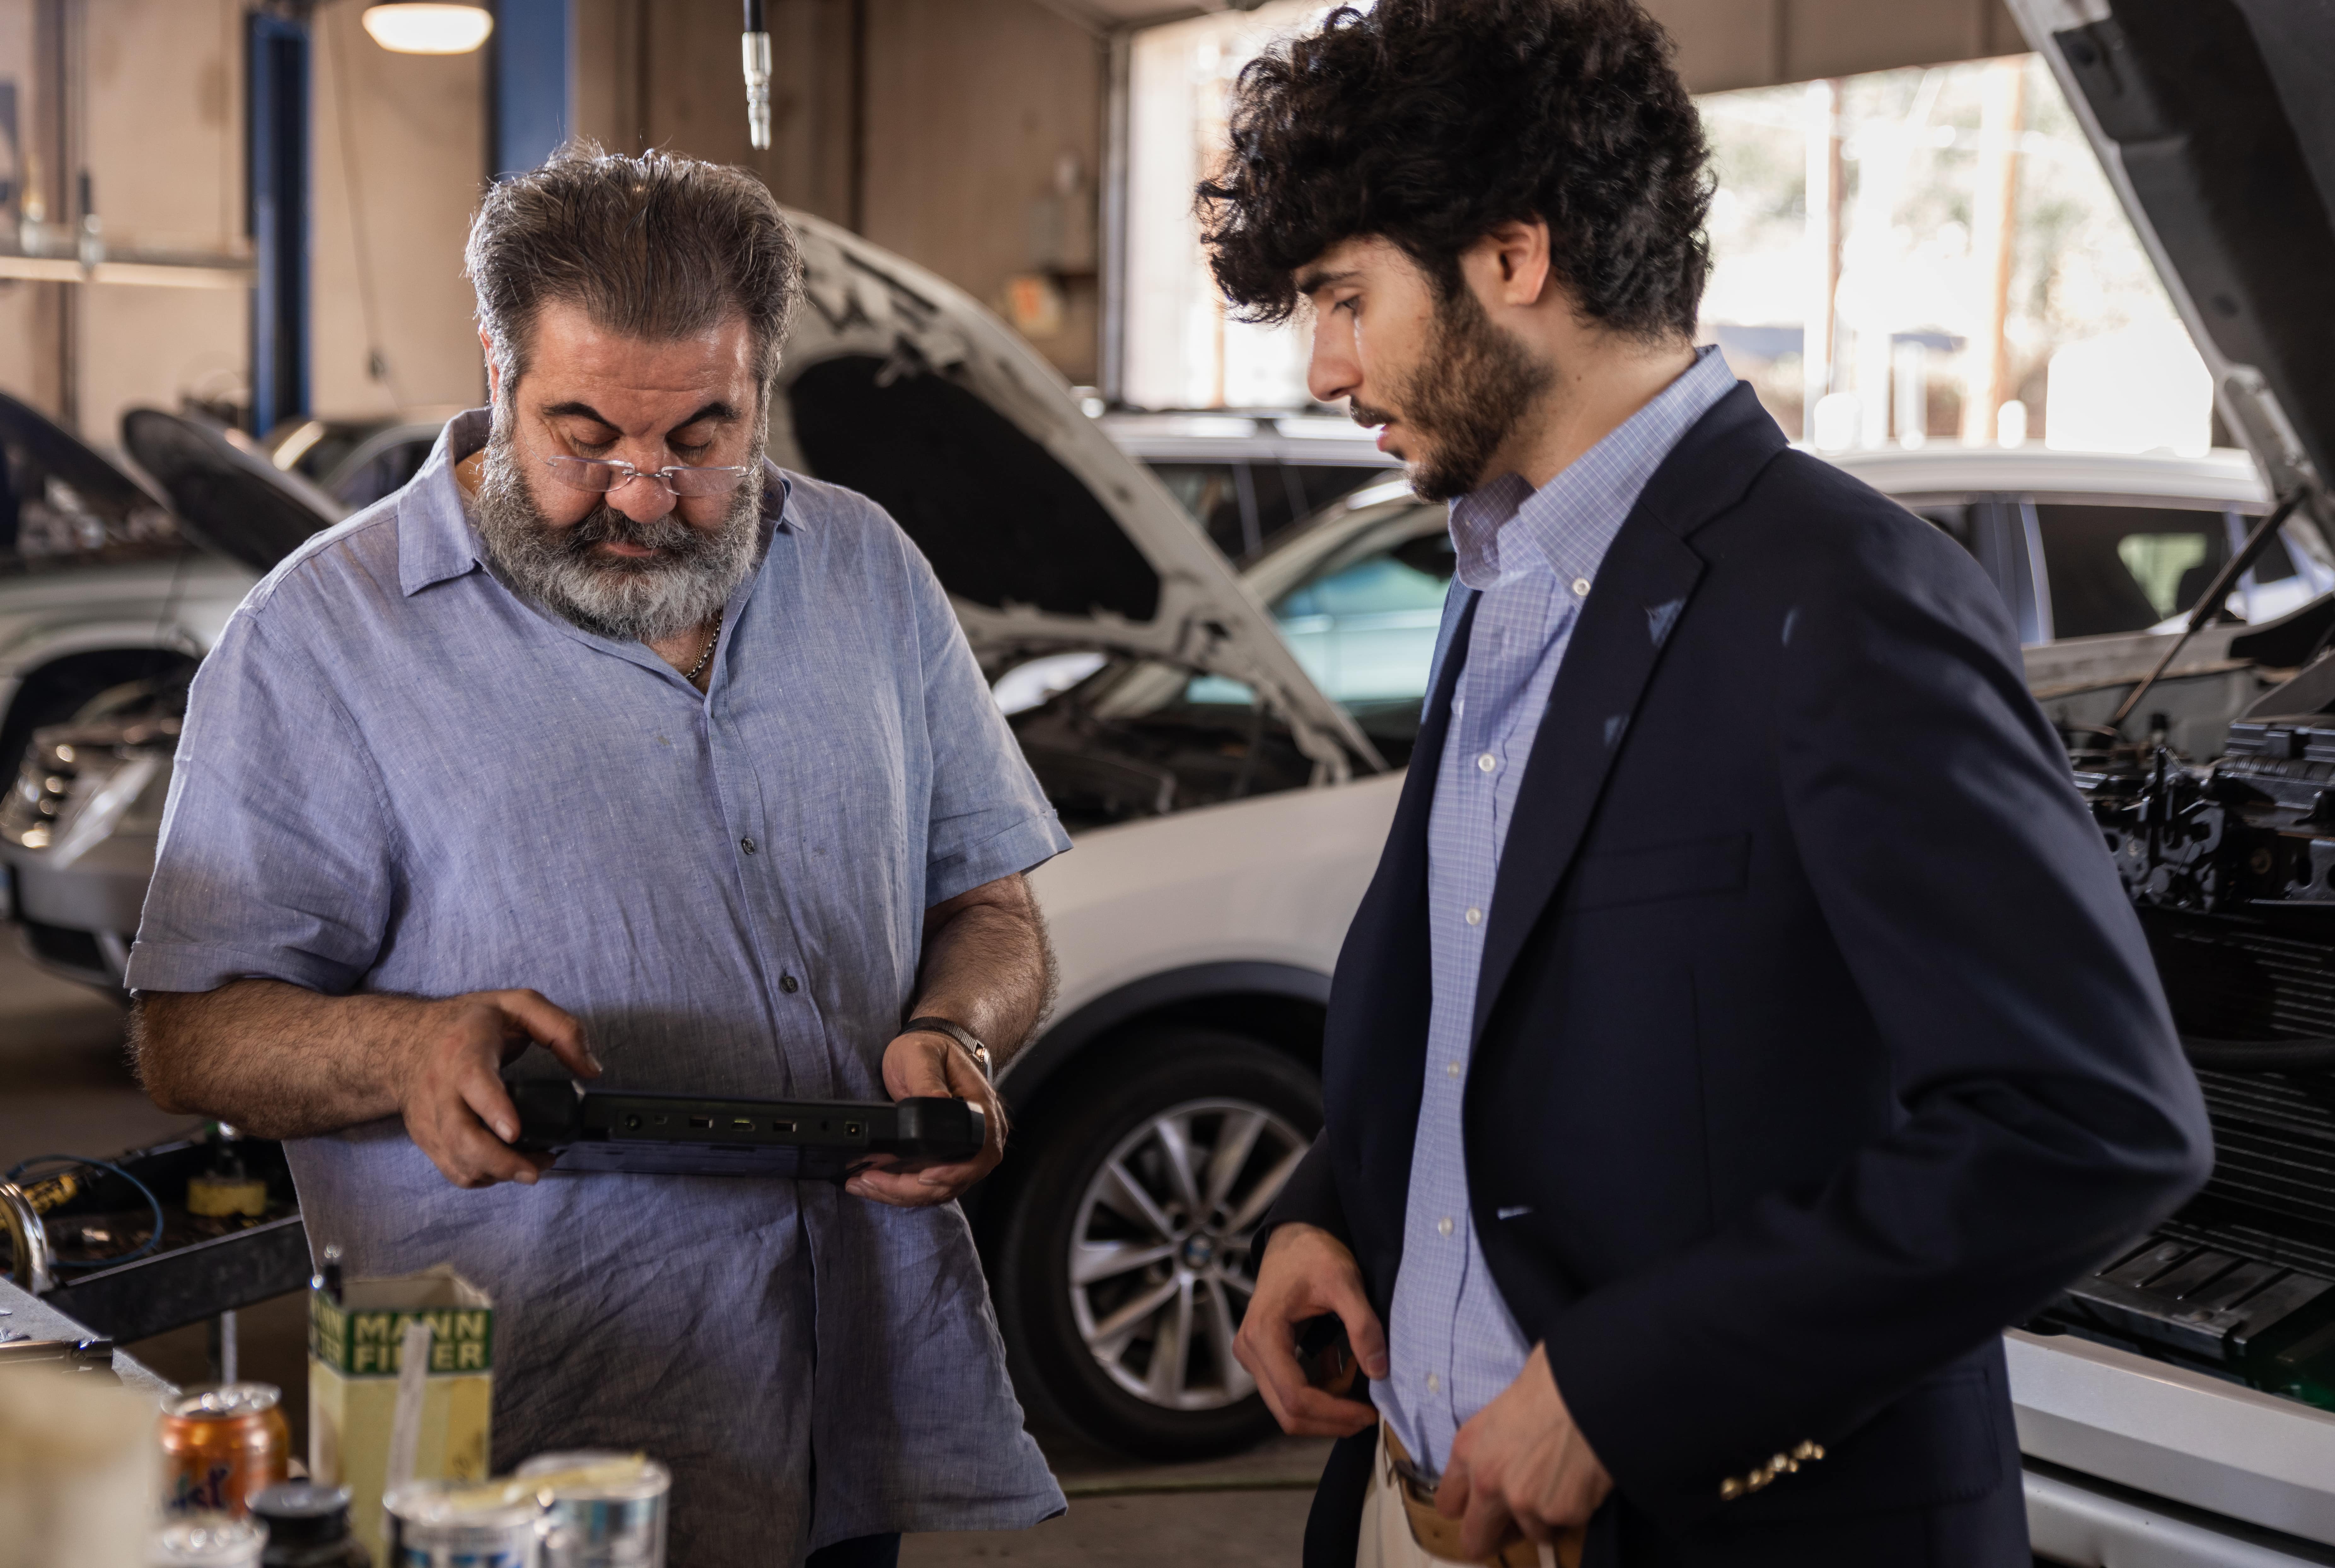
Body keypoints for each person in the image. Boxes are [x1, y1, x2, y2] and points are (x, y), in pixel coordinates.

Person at [1204, 4, 2213, 1565]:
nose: (1327, 366)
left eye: (1344, 297)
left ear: (1512, 257)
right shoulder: (1498, 570)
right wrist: (1330, 1201)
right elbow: (1486, 983)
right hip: (1415, 1497)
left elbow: (2085, 1121)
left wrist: (1622, 1387)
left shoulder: (1847, 597)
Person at [129, 147, 1068, 1566]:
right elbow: (185, 1032)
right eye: (582, 436)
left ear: (763, 387)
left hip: (844, 1419)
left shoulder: (864, 570)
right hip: (518, 1466)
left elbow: (986, 902)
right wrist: (402, 1051)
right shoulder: (326, 637)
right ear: (497, 369)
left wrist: (960, 1031)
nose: (641, 494)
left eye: (702, 437)